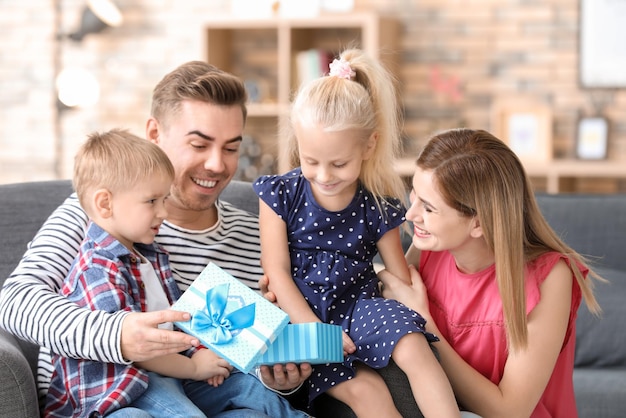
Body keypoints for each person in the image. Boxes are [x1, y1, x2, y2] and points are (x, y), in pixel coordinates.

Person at [0, 61, 310, 416]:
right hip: (111, 397)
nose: (216, 165)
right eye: (199, 144)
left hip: (210, 390)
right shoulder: (98, 215)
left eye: (230, 148)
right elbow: (15, 303)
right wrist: (118, 335)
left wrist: (280, 379)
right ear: (154, 133)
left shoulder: (258, 235)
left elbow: (252, 351)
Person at [253, 49, 460, 418]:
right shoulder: (280, 195)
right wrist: (318, 333)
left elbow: (396, 274)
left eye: (339, 164)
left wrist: (414, 303)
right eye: (310, 161)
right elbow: (277, 273)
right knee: (367, 392)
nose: (324, 175)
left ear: (369, 145)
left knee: (414, 347)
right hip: (306, 315)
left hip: (360, 307)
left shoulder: (376, 206)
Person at [44, 129, 308, 418]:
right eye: (152, 201)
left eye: (164, 199)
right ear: (105, 204)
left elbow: (176, 326)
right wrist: (194, 368)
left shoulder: (152, 255)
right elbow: (140, 350)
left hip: (169, 375)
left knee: (249, 391)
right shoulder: (97, 268)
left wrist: (202, 357)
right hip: (119, 391)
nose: (163, 212)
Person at [377, 128, 603, 417]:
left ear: (478, 223)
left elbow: (510, 410)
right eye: (414, 195)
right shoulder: (430, 247)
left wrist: (425, 323)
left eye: (429, 208)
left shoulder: (549, 277)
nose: (410, 215)